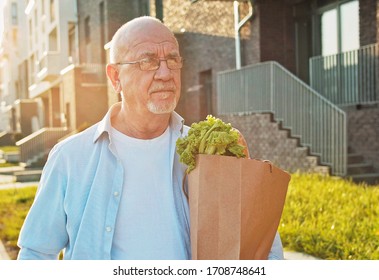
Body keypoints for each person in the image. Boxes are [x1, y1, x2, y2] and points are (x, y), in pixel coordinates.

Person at [17, 16, 284, 260]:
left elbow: (262, 246)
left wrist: (242, 178)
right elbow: (36, 253)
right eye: (148, 61)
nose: (166, 73)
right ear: (115, 77)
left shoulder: (210, 152)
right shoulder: (70, 158)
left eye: (173, 59)